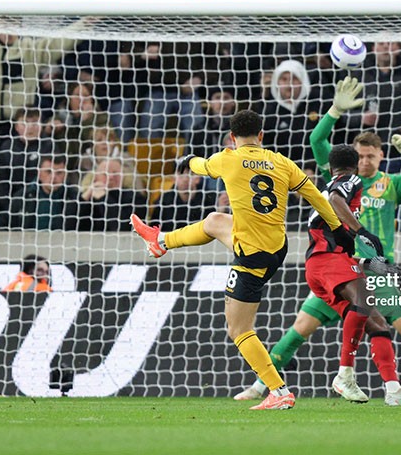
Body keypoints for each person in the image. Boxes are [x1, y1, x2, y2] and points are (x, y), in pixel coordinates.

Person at [236, 77, 401, 403]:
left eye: (371, 156)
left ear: (381, 156)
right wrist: (333, 111)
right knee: (301, 327)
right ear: (352, 157)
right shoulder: (341, 178)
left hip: (377, 267)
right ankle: (262, 386)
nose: (365, 161)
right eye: (360, 156)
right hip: (340, 264)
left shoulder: (392, 183)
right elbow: (317, 141)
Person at [130, 109, 355, 410]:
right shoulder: (282, 162)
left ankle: (278, 390)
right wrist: (339, 228)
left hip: (251, 257)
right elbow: (316, 195)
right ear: (261, 135)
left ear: (232, 138)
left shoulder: (227, 158)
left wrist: (188, 160)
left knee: (239, 329)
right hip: (276, 247)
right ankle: (160, 241)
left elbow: (201, 165)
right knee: (214, 221)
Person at [301, 144, 401, 406]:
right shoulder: (350, 180)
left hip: (326, 263)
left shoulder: (328, 184)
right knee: (364, 302)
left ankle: (393, 389)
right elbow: (335, 200)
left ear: (330, 167)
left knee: (378, 323)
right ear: (354, 166)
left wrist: (367, 260)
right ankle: (344, 374)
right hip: (327, 259)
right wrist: (362, 231)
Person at [0, 154, 82, 230]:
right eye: (48, 172)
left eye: (59, 173)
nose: (53, 177)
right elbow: (0, 225)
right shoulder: (22, 196)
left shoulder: (74, 199)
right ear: (39, 174)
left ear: (65, 175)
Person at [81, 158, 146, 232]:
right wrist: (84, 198)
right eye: (105, 174)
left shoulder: (136, 198)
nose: (111, 177)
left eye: (115, 173)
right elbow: (69, 226)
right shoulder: (87, 199)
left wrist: (104, 198)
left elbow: (123, 228)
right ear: (95, 177)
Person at [151, 161, 217, 232]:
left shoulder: (209, 200)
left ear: (198, 178)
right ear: (174, 178)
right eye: (181, 174)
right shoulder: (163, 202)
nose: (185, 179)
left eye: (191, 174)